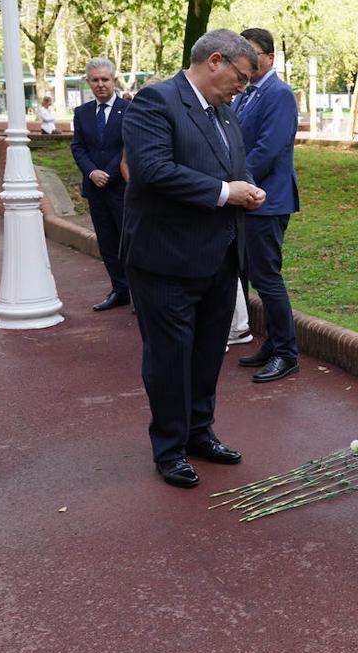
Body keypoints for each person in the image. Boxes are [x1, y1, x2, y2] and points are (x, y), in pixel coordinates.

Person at [120, 29, 265, 489]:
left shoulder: (224, 111)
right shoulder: (155, 102)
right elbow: (153, 170)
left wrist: (248, 186)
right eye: (240, 78)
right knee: (169, 359)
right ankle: (169, 449)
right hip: (165, 261)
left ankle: (200, 433)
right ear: (215, 61)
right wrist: (226, 193)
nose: (242, 88)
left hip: (219, 258)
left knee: (206, 355)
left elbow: (233, 164)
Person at [232, 27, 302, 384]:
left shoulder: (279, 94)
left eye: (252, 51)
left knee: (266, 278)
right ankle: (272, 342)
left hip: (268, 201)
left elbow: (268, 150)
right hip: (247, 199)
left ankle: (287, 353)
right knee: (249, 274)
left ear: (270, 58)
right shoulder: (244, 94)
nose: (244, 55)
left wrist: (236, 183)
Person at [71, 58, 131, 311]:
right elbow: (78, 147)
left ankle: (139, 293)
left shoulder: (129, 109)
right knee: (107, 242)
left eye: (105, 79)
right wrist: (92, 172)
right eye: (95, 80)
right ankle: (120, 290)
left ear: (114, 80)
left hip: (121, 188)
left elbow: (129, 147)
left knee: (129, 242)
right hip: (95, 189)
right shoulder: (82, 113)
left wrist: (108, 173)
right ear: (88, 82)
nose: (100, 84)